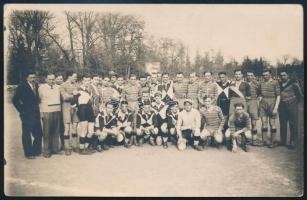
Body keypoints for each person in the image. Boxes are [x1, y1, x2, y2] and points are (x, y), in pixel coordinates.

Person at [12, 70, 43, 159]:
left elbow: (36, 99)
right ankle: (29, 153)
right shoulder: (22, 87)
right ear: (27, 78)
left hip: (36, 113)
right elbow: (15, 100)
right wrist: (21, 110)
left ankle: (36, 151)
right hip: (26, 114)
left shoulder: (36, 85)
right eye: (31, 77)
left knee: (38, 133)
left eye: (34, 77)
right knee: (27, 134)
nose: (33, 79)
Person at [38, 73, 62, 158]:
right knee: (47, 132)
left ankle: (55, 149)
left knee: (56, 131)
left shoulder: (58, 87)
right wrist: (41, 112)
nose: (51, 81)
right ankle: (47, 151)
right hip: (47, 111)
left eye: (53, 79)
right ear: (46, 79)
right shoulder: (41, 88)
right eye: (49, 79)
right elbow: (39, 101)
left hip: (57, 110)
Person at [278, 70, 303, 150]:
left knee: (293, 123)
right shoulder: (279, 83)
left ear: (288, 75)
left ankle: (293, 141)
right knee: (283, 123)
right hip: (282, 106)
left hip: (292, 105)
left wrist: (294, 102)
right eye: (281, 75)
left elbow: (299, 94)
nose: (282, 77)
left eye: (284, 75)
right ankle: (283, 140)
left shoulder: (294, 83)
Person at [73, 75, 96, 155]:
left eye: (88, 80)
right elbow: (73, 103)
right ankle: (81, 148)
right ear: (82, 81)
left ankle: (86, 147)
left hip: (90, 109)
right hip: (82, 109)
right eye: (85, 80)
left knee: (91, 131)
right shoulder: (78, 90)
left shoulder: (90, 89)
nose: (87, 82)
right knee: (84, 130)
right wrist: (77, 106)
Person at [258, 69, 280, 148]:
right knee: (264, 123)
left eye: (266, 75)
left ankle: (273, 141)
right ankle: (264, 141)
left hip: (272, 102)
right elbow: (259, 93)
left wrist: (276, 108)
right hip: (263, 103)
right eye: (263, 75)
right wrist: (260, 98)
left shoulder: (275, 82)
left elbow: (278, 95)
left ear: (270, 74)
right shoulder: (261, 83)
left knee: (272, 123)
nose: (265, 76)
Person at [59, 71, 80, 156]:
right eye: (74, 77)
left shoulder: (76, 85)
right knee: (67, 128)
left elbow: (80, 94)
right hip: (66, 108)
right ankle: (67, 147)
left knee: (75, 127)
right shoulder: (63, 85)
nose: (76, 78)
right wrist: (74, 95)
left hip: (75, 108)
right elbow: (65, 97)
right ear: (69, 76)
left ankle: (74, 145)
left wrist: (74, 95)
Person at [246, 71, 261, 146]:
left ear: (253, 76)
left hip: (253, 102)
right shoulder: (244, 83)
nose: (249, 77)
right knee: (245, 122)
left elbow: (260, 93)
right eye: (248, 75)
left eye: (251, 75)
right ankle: (247, 139)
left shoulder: (257, 84)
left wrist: (257, 98)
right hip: (245, 103)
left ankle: (254, 140)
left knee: (253, 123)